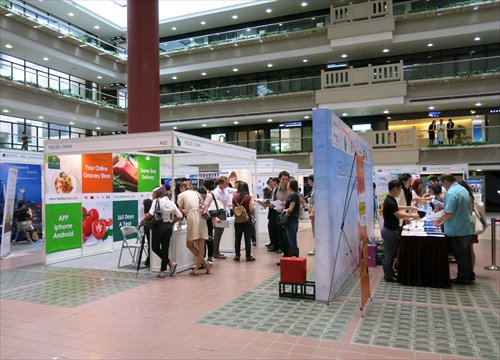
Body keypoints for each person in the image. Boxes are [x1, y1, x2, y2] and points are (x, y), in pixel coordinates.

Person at [433, 174, 475, 285]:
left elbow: (449, 213)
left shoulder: (451, 193)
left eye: (442, 183)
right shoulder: (462, 189)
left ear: (446, 181)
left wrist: (438, 220)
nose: (443, 186)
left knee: (460, 255)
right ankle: (469, 275)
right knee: (465, 254)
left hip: (457, 229)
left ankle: (463, 277)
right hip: (465, 226)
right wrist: (442, 221)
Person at [381, 180, 420, 282]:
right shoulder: (389, 201)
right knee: (390, 254)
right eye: (399, 190)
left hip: (391, 229)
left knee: (390, 253)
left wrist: (408, 207)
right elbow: (399, 214)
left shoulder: (390, 199)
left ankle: (389, 273)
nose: (400, 192)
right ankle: (388, 276)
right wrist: (412, 215)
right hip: (390, 231)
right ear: (395, 189)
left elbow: (397, 208)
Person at [141, 187, 182, 278]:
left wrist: (143, 221)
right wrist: (172, 223)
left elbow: (151, 214)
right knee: (165, 248)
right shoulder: (171, 203)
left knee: (155, 247)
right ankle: (163, 270)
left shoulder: (157, 201)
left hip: (158, 226)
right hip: (168, 226)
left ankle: (170, 264)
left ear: (158, 194)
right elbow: (180, 215)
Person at [177, 180, 213, 275]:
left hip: (193, 217)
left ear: (182, 188)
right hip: (202, 217)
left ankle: (200, 266)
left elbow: (179, 212)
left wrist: (179, 222)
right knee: (201, 244)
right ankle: (204, 264)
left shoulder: (181, 195)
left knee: (189, 244)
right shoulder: (197, 193)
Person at [457, 179, 480, 274]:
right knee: (469, 249)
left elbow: (468, 210)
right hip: (467, 225)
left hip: (468, 225)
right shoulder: (467, 195)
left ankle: (470, 270)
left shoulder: (467, 196)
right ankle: (469, 270)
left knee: (469, 249)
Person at [212, 176, 235, 259]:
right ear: (221, 183)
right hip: (218, 214)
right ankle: (215, 252)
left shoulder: (225, 189)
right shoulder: (215, 192)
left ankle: (217, 251)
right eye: (226, 183)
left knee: (220, 233)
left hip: (223, 213)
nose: (227, 184)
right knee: (217, 233)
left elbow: (234, 190)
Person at [232, 181, 255, 262]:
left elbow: (233, 209)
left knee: (237, 238)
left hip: (238, 220)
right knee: (247, 238)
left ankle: (237, 255)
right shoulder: (249, 198)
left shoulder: (235, 197)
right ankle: (248, 256)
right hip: (247, 220)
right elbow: (251, 209)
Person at [271, 171, 291, 262]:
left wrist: (286, 204)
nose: (285, 181)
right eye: (283, 179)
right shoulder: (275, 190)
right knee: (280, 237)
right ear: (279, 179)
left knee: (287, 237)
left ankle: (289, 257)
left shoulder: (290, 189)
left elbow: (295, 201)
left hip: (288, 215)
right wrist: (271, 204)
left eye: (286, 179)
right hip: (278, 214)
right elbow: (273, 201)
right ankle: (284, 256)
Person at [283, 178, 301, 257]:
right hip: (292, 220)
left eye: (288, 182)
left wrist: (284, 210)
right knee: (290, 239)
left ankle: (295, 256)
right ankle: (292, 256)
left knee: (292, 239)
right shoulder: (292, 194)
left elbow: (290, 209)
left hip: (291, 220)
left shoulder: (293, 195)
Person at [200, 179, 216, 263]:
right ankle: (209, 256)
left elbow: (205, 205)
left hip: (207, 217)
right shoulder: (213, 193)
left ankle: (208, 257)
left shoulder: (209, 194)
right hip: (210, 217)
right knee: (209, 236)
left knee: (207, 237)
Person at [142, 197, 153, 267]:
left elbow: (147, 215)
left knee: (151, 243)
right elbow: (147, 215)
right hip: (150, 226)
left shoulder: (149, 201)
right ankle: (150, 260)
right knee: (151, 244)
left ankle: (149, 260)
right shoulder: (149, 202)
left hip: (150, 225)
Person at [307, 175, 315, 256]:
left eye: (308, 180)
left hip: (315, 214)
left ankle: (317, 248)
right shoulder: (313, 189)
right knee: (314, 231)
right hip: (313, 213)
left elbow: (316, 201)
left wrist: (312, 212)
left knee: (316, 231)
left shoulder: (316, 189)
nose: (308, 182)